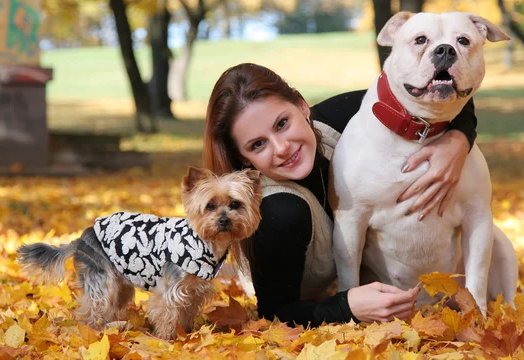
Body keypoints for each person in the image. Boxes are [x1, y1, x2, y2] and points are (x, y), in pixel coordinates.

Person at [203, 63, 477, 327]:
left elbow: (439, 93)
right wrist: (347, 308)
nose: (282, 147)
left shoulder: (344, 116)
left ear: (301, 105)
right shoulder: (278, 211)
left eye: (282, 123)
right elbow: (274, 313)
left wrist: (457, 141)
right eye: (258, 144)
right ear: (244, 157)